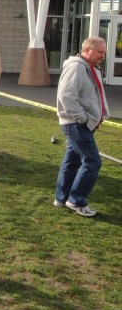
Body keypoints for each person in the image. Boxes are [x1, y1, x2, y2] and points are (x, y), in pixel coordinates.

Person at [54, 37, 109, 218]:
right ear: (87, 50)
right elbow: (66, 96)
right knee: (93, 162)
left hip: (81, 123)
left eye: (104, 52)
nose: (103, 55)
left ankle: (61, 198)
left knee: (72, 160)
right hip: (76, 124)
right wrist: (83, 118)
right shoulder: (77, 67)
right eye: (100, 52)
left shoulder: (91, 68)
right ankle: (76, 200)